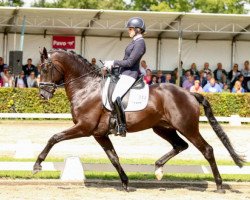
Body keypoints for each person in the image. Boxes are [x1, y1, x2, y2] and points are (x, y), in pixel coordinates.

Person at [103, 17, 146, 137]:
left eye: (131, 29)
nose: (129, 31)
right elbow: (125, 61)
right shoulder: (134, 42)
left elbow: (130, 62)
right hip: (124, 73)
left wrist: (113, 62)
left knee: (115, 96)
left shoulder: (140, 43)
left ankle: (121, 126)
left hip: (130, 75)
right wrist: (112, 68)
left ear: (138, 30)